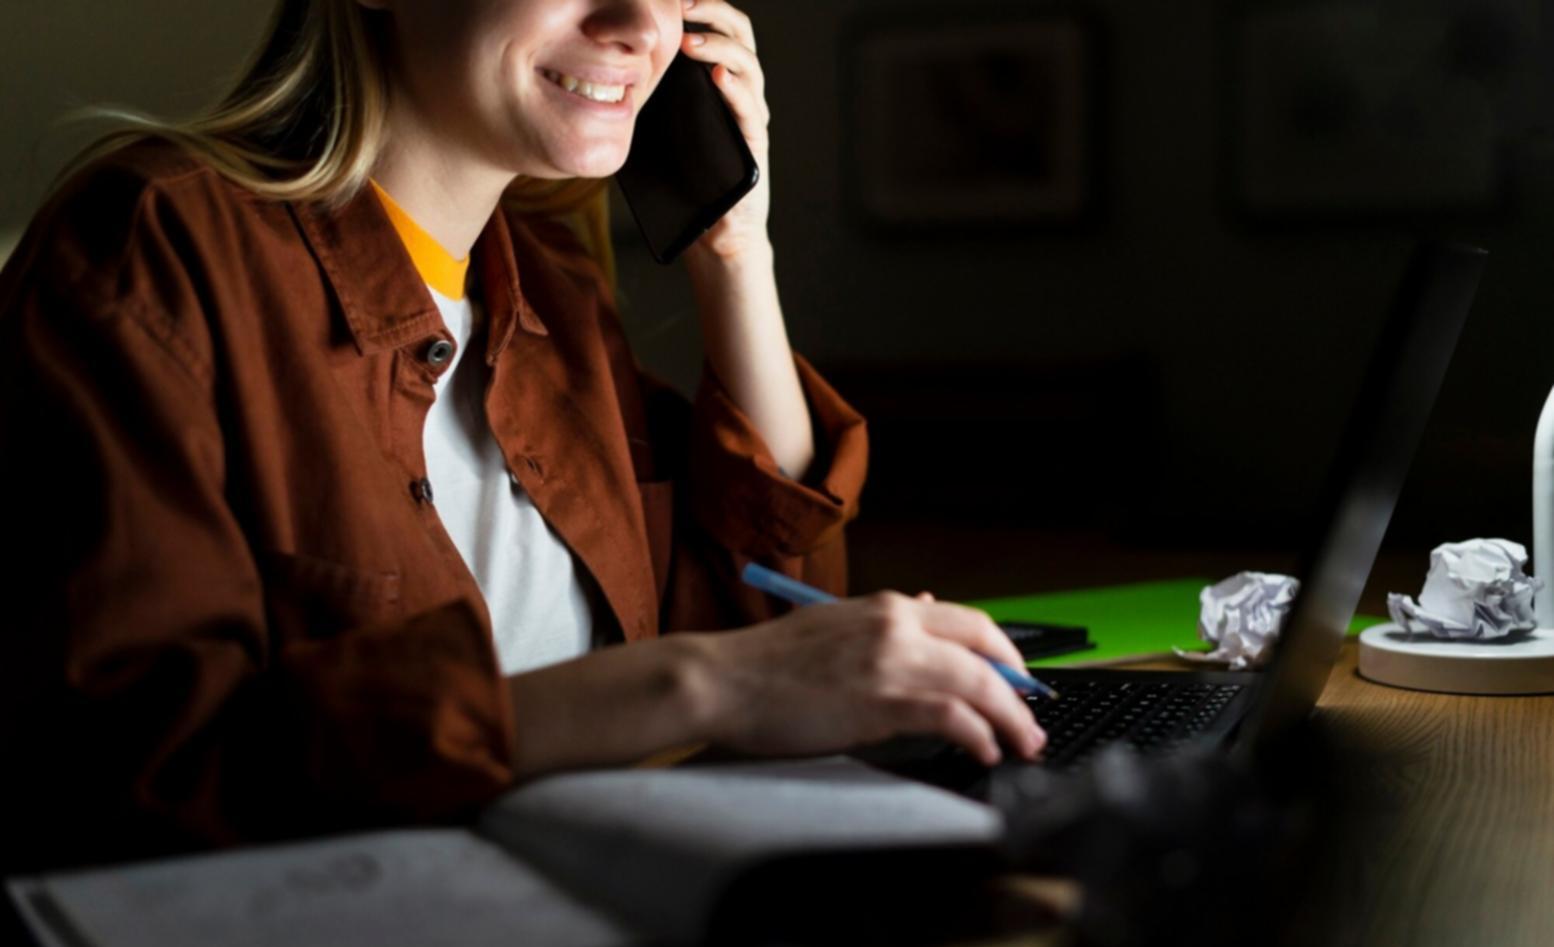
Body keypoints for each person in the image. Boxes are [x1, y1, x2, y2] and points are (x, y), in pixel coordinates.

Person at [0, 0, 1044, 873]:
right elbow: (138, 771)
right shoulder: (150, 245)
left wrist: (737, 248)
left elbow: (763, 614)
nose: (639, 23)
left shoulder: (553, 289)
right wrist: (700, 684)